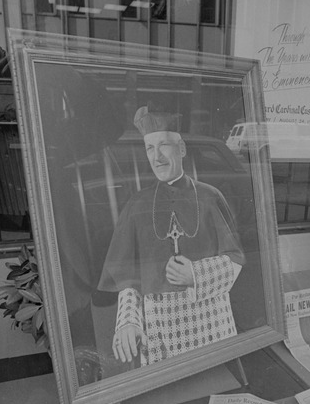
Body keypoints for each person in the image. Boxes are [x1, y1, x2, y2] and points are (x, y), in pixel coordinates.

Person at [98, 106, 245, 366]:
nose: (157, 157)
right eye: (149, 148)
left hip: (212, 323)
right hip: (161, 330)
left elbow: (235, 259)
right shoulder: (137, 205)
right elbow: (126, 275)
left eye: (164, 145)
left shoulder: (210, 197)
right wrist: (128, 322)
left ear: (182, 149)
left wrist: (196, 275)